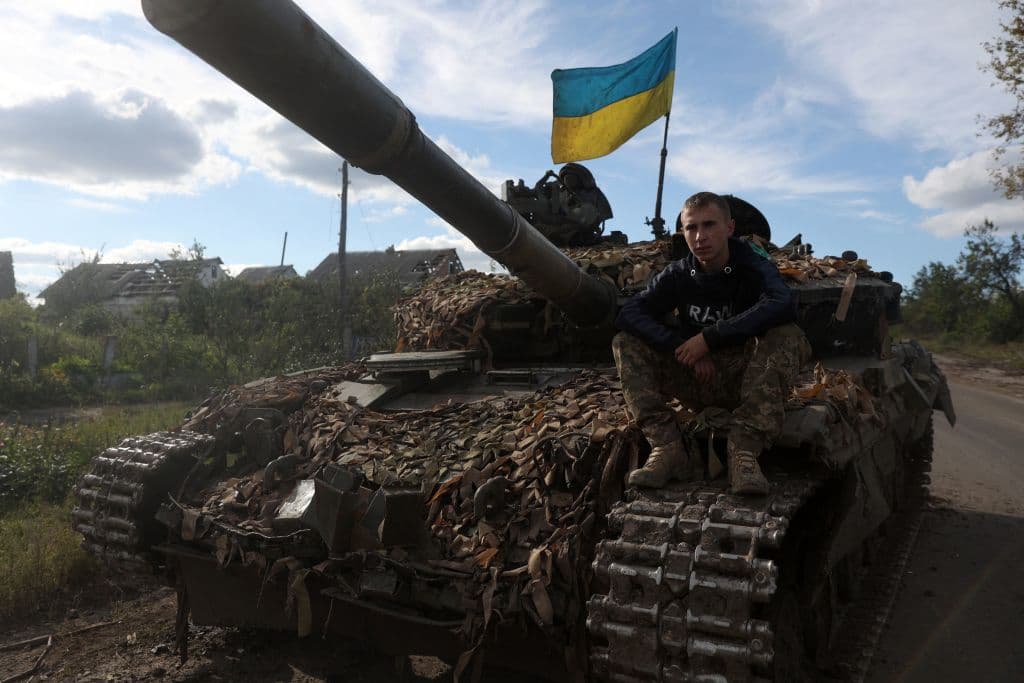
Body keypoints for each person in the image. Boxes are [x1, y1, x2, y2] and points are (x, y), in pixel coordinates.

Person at [613, 191, 810, 495]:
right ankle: (667, 446)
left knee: (787, 335)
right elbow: (630, 313)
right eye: (691, 228)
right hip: (697, 377)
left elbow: (782, 302)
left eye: (709, 225)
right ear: (683, 232)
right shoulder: (678, 274)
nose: (700, 236)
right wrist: (684, 346)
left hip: (748, 381)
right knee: (626, 341)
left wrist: (710, 337)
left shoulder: (752, 261)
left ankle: (743, 451)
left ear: (729, 228)